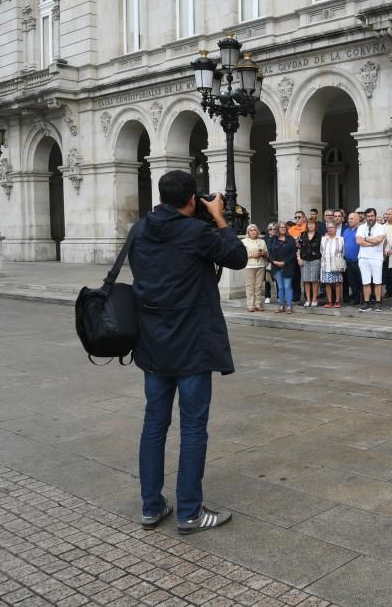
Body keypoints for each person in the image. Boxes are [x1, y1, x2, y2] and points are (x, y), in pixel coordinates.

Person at [130, 170, 246, 535]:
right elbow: (238, 256)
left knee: (154, 423)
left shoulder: (139, 230)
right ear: (192, 200)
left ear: (161, 196)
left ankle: (152, 507)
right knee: (193, 427)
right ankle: (190, 512)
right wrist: (219, 216)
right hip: (192, 344)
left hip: (152, 341)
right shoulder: (197, 232)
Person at [356, 207, 387, 312]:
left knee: (378, 281)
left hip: (376, 258)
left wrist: (366, 239)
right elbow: (358, 241)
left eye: (372, 216)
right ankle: (367, 303)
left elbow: (379, 240)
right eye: (368, 216)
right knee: (366, 282)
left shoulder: (381, 227)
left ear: (375, 216)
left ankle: (378, 303)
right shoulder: (361, 227)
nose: (370, 218)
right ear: (365, 217)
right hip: (363, 257)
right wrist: (371, 243)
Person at [269, 220, 298, 313]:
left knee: (287, 286)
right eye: (281, 227)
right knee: (280, 287)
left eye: (284, 227)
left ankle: (289, 306)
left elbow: (293, 253)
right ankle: (281, 305)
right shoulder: (273, 239)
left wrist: (284, 262)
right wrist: (274, 261)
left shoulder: (290, 239)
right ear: (278, 229)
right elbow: (269, 252)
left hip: (288, 266)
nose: (283, 229)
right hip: (276, 266)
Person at [242, 224, 268, 312]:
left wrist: (263, 253)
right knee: (250, 286)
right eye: (251, 230)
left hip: (260, 265)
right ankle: (250, 304)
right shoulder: (244, 241)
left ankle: (258, 304)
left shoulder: (262, 241)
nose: (253, 232)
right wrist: (250, 254)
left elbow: (267, 253)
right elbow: (241, 254)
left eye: (254, 230)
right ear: (248, 232)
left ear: (257, 231)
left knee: (259, 286)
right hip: (249, 266)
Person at [298, 217, 322, 307]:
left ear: (315, 225)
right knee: (306, 280)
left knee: (314, 280)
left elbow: (322, 248)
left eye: (312, 224)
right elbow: (298, 247)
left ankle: (314, 299)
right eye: (309, 224)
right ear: (307, 225)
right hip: (304, 259)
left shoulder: (319, 235)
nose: (310, 225)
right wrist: (298, 258)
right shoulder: (303, 234)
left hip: (315, 259)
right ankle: (308, 299)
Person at [320, 221, 345, 308]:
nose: (330, 229)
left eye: (332, 227)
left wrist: (339, 260)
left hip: (336, 264)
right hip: (326, 264)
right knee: (327, 283)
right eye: (328, 228)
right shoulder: (323, 239)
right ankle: (330, 301)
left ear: (335, 229)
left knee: (337, 283)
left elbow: (343, 252)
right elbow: (321, 251)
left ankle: (337, 301)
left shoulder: (340, 239)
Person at [342, 211, 362, 305]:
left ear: (358, 220)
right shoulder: (346, 231)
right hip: (348, 261)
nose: (349, 220)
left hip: (359, 261)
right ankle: (355, 298)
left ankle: (364, 299)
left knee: (361, 281)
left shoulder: (361, 230)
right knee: (352, 281)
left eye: (352, 218)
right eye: (349, 218)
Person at [263, 221, 277, 305]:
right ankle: (267, 297)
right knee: (267, 281)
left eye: (274, 229)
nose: (272, 230)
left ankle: (279, 296)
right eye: (270, 229)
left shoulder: (279, 238)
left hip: (277, 262)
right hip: (268, 262)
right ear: (268, 230)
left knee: (278, 280)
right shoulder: (264, 239)